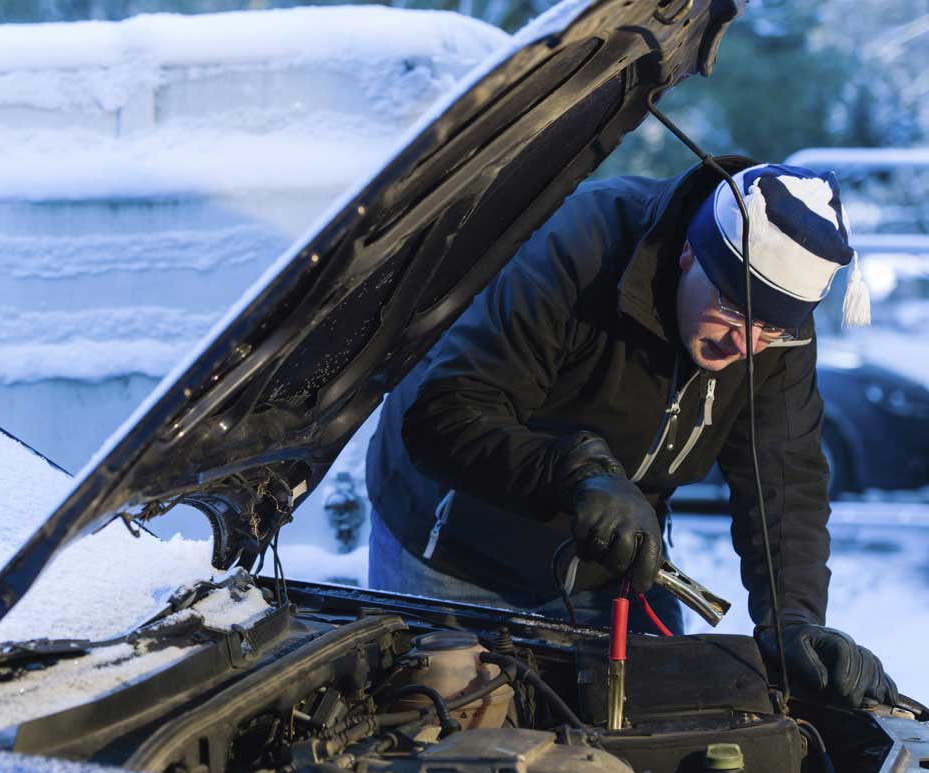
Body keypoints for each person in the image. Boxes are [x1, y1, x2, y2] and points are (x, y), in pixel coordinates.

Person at [365, 157, 898, 708]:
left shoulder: (776, 331)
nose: (745, 343)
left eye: (773, 329)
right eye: (731, 309)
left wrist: (794, 617)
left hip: (613, 560)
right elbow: (445, 415)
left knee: (654, 735)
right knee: (445, 740)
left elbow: (787, 482)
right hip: (457, 546)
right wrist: (577, 473)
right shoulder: (585, 243)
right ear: (691, 252)